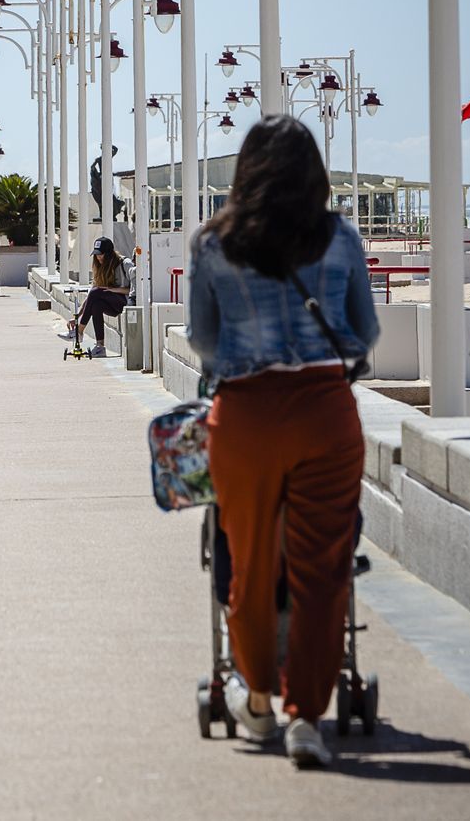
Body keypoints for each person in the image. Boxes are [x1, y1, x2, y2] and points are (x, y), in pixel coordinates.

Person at [184, 114, 379, 769]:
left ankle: (260, 703)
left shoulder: (213, 244)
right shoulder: (341, 237)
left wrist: (239, 362)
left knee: (249, 561)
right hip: (325, 412)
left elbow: (203, 341)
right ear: (314, 174)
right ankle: (305, 718)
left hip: (245, 417)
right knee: (324, 570)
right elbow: (364, 330)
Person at [59, 237, 133, 358]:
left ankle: (79, 331)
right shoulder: (100, 267)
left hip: (125, 303)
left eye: (101, 254)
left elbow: (136, 290)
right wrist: (77, 316)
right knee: (96, 305)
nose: (98, 258)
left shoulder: (125, 264)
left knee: (95, 292)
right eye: (96, 255)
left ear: (109, 254)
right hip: (111, 304)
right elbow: (91, 296)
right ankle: (100, 347)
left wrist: (115, 290)